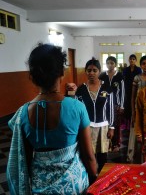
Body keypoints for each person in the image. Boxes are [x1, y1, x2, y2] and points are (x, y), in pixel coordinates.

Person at [6, 44, 97, 194]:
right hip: (74, 186)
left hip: (39, 188)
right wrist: (95, 176)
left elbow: (25, 160)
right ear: (61, 72)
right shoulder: (76, 107)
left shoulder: (22, 113)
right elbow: (88, 157)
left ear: (33, 76)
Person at [76, 58, 115, 171]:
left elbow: (110, 109)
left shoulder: (106, 88)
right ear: (86, 71)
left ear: (99, 71)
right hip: (86, 127)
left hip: (103, 127)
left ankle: (101, 178)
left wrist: (111, 127)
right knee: (88, 154)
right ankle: (90, 178)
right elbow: (78, 111)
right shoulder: (81, 90)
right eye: (89, 70)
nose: (91, 73)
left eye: (94, 70)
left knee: (102, 155)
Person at [127, 55, 146, 163]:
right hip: (138, 110)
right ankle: (133, 159)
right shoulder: (137, 78)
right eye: (144, 63)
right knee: (136, 135)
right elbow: (133, 97)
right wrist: (133, 112)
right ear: (140, 65)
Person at [99, 56, 125, 152]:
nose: (110, 65)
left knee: (116, 125)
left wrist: (121, 106)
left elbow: (122, 91)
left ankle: (116, 144)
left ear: (115, 64)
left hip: (116, 105)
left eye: (112, 63)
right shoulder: (102, 76)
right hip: (105, 103)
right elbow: (100, 90)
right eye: (108, 63)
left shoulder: (120, 76)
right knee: (106, 123)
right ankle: (107, 143)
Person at [122, 54, 142, 130]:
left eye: (133, 59)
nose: (132, 60)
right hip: (127, 90)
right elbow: (124, 79)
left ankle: (133, 122)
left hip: (136, 89)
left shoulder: (138, 69)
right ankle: (127, 125)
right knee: (127, 106)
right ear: (129, 60)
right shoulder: (126, 69)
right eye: (131, 59)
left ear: (136, 60)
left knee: (134, 106)